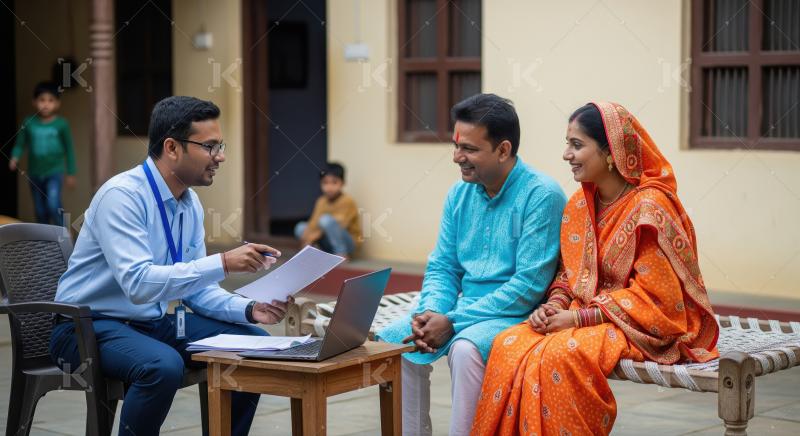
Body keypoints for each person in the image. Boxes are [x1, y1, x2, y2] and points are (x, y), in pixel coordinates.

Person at [471, 102, 720, 436]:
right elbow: (566, 275)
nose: (566, 154)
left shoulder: (649, 208)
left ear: (610, 152)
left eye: (577, 144)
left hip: (641, 324)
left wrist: (576, 319)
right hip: (580, 314)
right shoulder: (579, 204)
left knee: (561, 354)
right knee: (508, 344)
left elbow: (656, 298)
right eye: (567, 144)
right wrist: (553, 306)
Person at [49, 96, 290, 436]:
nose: (220, 156)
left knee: (253, 345)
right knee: (162, 365)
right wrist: (221, 262)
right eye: (209, 146)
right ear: (172, 147)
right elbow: (138, 284)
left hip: (149, 324)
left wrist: (251, 309)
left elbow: (198, 291)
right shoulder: (122, 196)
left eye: (220, 145)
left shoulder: (189, 204)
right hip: (86, 328)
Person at [378, 93, 566, 436]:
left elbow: (528, 286)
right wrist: (432, 312)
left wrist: (452, 321)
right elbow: (444, 267)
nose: (457, 157)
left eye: (469, 149)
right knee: (397, 341)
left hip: (518, 315)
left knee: (465, 349)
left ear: (504, 150)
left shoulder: (542, 195)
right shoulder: (459, 195)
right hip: (461, 309)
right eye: (456, 145)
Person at [9, 82, 77, 226]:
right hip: (34, 174)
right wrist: (15, 157)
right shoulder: (29, 122)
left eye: (51, 100)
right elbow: (20, 144)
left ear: (57, 103)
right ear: (34, 102)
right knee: (40, 210)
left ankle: (64, 234)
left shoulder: (62, 124)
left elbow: (69, 149)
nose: (46, 104)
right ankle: (45, 243)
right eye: (42, 100)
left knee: (53, 205)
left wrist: (71, 173)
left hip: (54, 172)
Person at [294, 162, 362, 257]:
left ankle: (341, 254)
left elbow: (340, 224)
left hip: (347, 243)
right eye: (325, 183)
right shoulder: (321, 201)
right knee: (300, 227)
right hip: (328, 241)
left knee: (325, 220)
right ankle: (312, 252)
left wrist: (315, 235)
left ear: (343, 183)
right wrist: (307, 239)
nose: (329, 187)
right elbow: (313, 223)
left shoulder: (347, 201)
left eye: (334, 182)